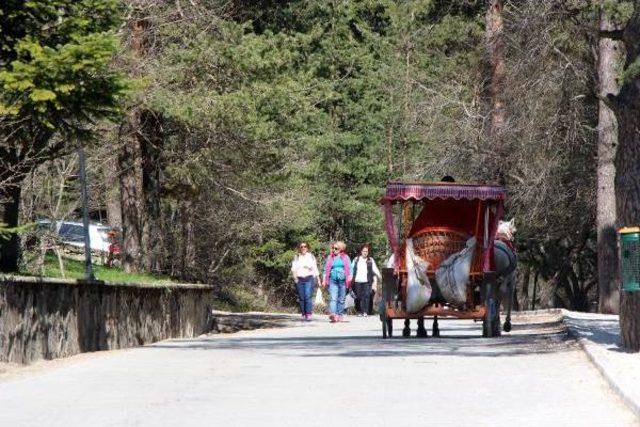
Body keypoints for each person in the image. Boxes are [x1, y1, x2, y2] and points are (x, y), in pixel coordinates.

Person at [322, 241, 351, 323]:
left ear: (341, 249)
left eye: (336, 248)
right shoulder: (330, 257)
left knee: (341, 299)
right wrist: (324, 280)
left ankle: (340, 315)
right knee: (333, 298)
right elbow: (325, 269)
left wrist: (349, 279)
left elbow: (350, 269)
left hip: (343, 280)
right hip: (332, 280)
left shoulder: (345, 257)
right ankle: (333, 315)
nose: (334, 250)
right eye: (333, 248)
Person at [291, 242, 321, 321]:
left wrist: (318, 279)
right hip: (299, 279)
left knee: (308, 296)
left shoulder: (311, 256)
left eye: (305, 246)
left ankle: (308, 313)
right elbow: (293, 268)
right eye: (301, 247)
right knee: (301, 297)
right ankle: (303, 314)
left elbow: (315, 268)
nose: (303, 248)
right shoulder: (296, 257)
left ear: (307, 248)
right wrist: (295, 278)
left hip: (309, 278)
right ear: (299, 248)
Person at [351, 244, 381, 317]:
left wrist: (380, 276)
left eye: (366, 251)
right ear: (361, 251)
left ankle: (365, 312)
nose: (365, 253)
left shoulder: (370, 260)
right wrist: (349, 278)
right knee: (358, 296)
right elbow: (351, 269)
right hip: (357, 281)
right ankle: (359, 311)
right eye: (364, 251)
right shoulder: (356, 259)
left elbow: (375, 269)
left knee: (367, 296)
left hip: (367, 281)